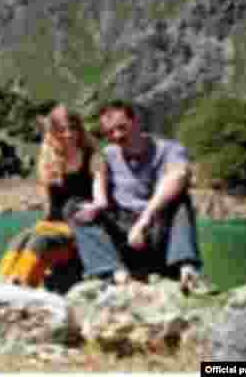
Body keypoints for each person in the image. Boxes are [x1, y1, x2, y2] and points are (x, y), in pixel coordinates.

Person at [65, 100, 213, 294]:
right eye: (110, 132)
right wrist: (98, 204)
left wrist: (145, 220)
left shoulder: (169, 149)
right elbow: (98, 181)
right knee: (74, 207)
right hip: (124, 233)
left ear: (136, 121)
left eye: (121, 127)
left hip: (157, 229)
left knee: (180, 199)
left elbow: (179, 175)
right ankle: (117, 275)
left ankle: (187, 270)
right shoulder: (107, 154)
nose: (117, 135)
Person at [0, 104, 107, 290]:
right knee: (19, 240)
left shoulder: (93, 157)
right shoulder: (49, 158)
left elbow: (101, 200)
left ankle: (20, 286)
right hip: (53, 224)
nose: (68, 134)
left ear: (80, 129)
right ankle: (0, 283)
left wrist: (95, 207)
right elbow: (49, 207)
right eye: (62, 130)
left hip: (79, 225)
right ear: (53, 133)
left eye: (73, 128)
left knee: (40, 242)